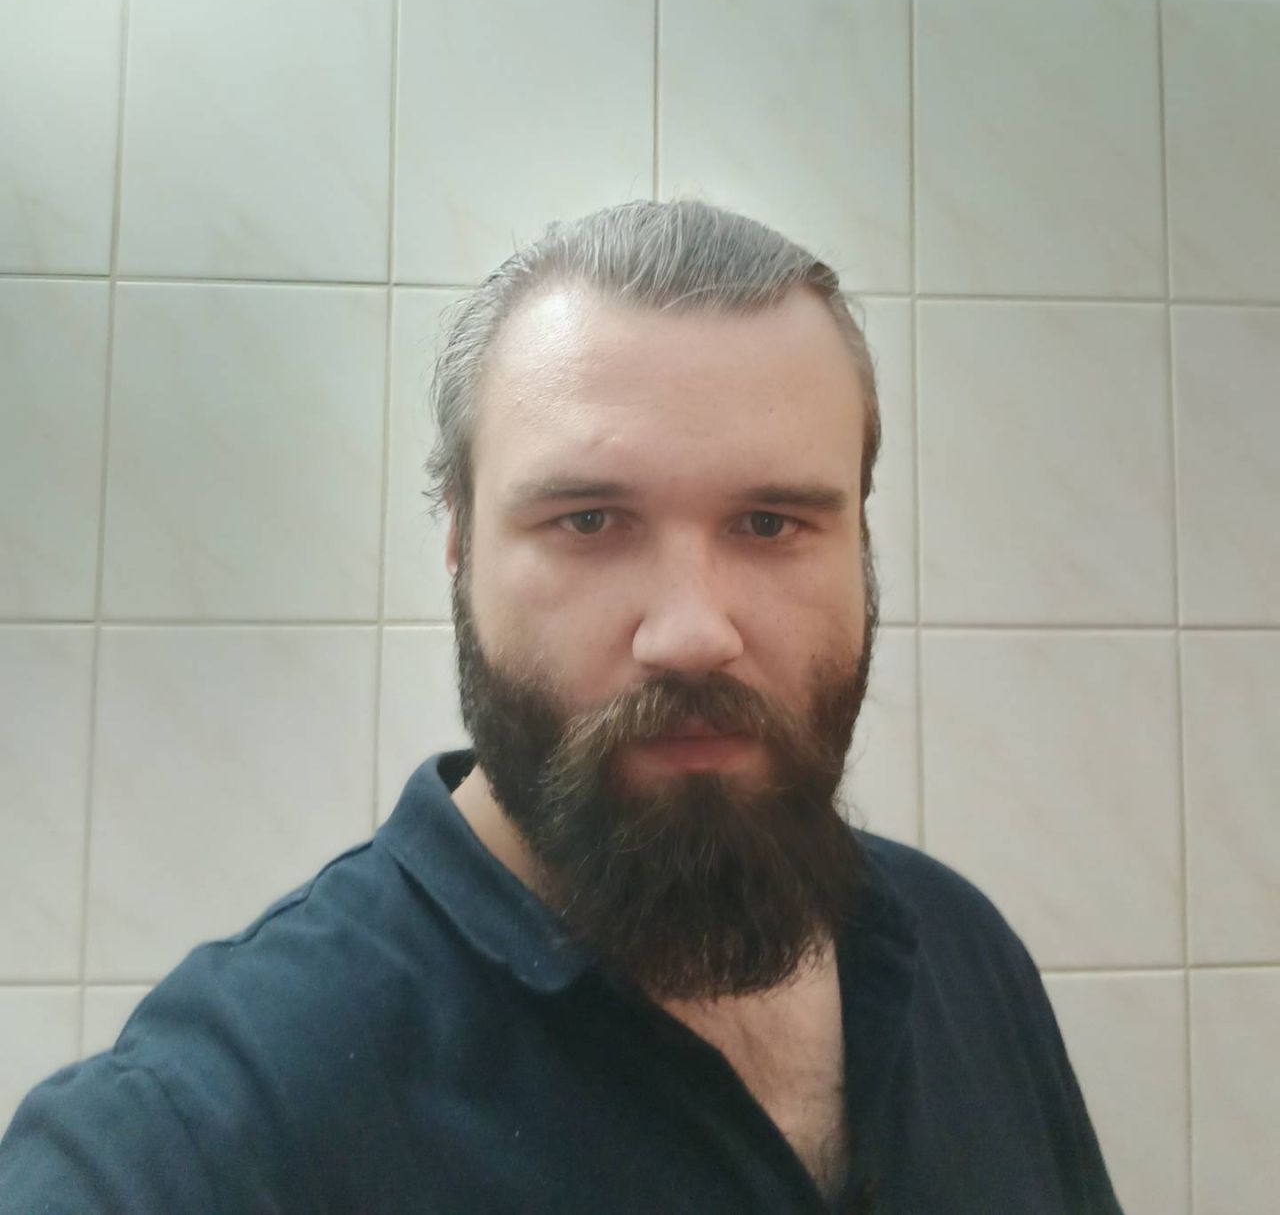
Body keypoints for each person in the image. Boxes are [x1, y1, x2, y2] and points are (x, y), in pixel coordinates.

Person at [0, 198, 1123, 1214]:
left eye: (771, 523)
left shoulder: (962, 956)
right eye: (588, 521)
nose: (691, 632)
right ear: (457, 546)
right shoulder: (210, 1126)